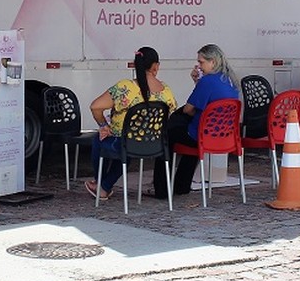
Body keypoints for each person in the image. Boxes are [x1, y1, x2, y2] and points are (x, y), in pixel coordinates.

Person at [86, 47, 177, 201]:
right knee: (126, 146)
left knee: (99, 140)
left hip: (125, 143)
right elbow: (171, 113)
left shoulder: (125, 87)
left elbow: (95, 106)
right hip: (154, 145)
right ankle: (103, 186)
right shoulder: (166, 91)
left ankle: (101, 184)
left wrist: (104, 126)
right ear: (156, 67)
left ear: (136, 65)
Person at [159, 44, 240, 198]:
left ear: (213, 62)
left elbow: (188, 109)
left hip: (201, 135)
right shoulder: (231, 80)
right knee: (189, 131)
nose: (199, 66)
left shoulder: (208, 81)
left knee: (166, 135)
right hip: (223, 136)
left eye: (201, 62)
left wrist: (198, 83)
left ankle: (162, 188)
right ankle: (181, 185)